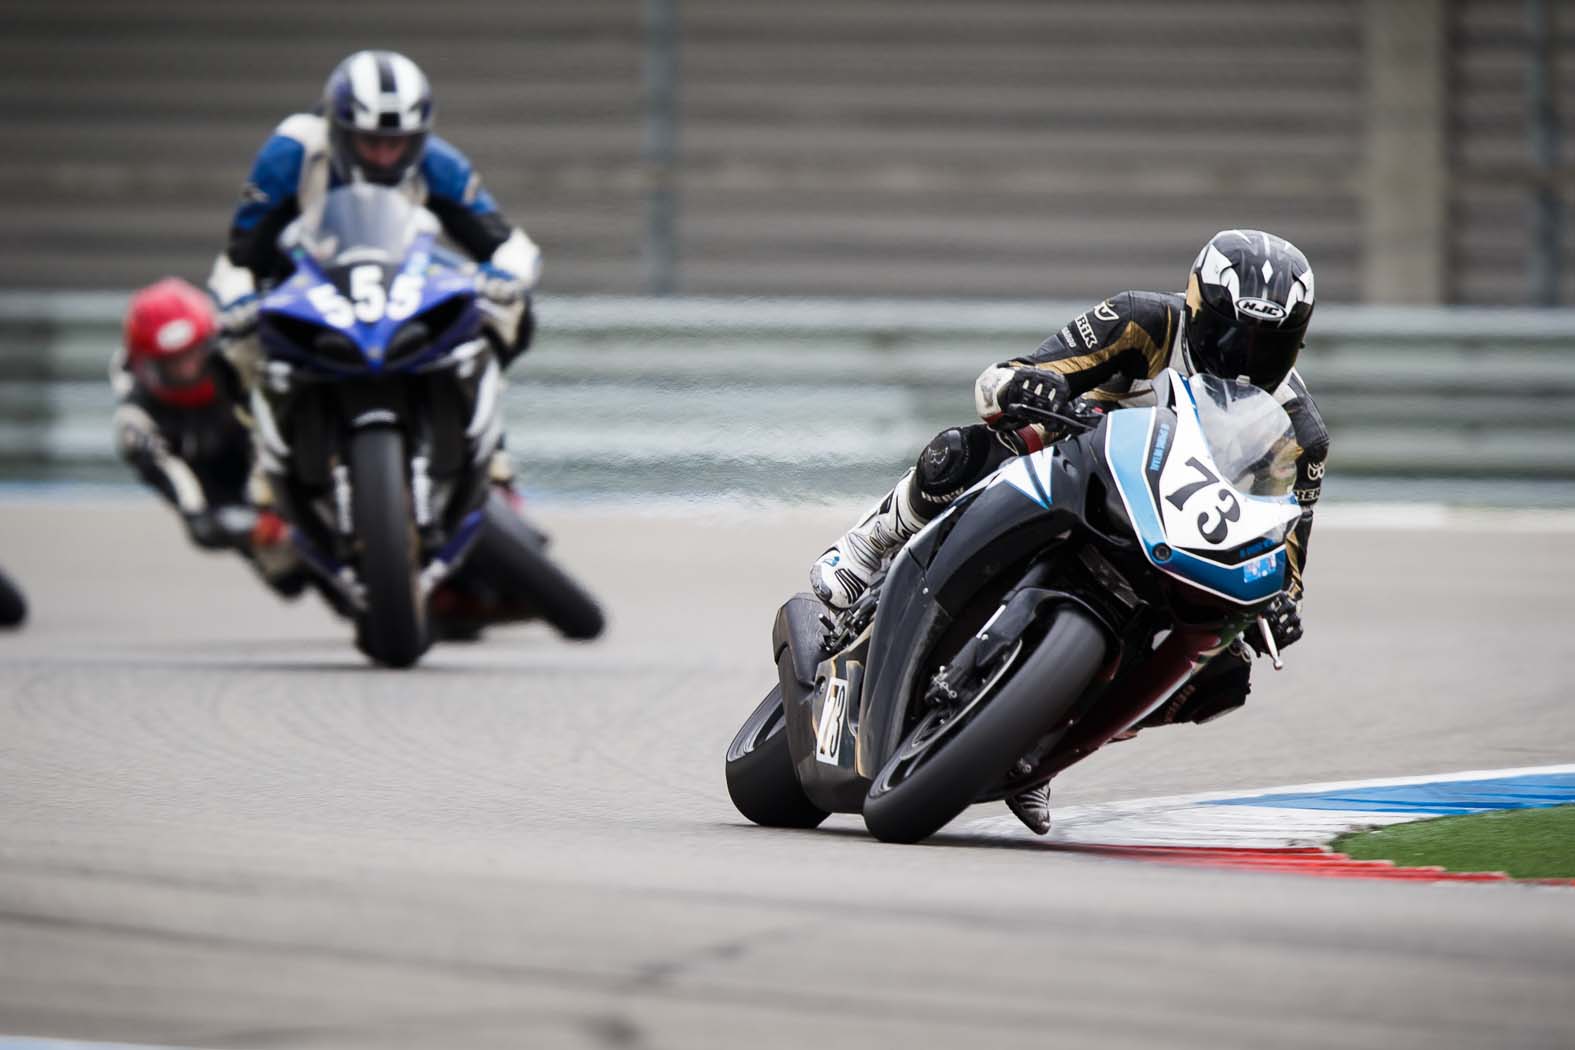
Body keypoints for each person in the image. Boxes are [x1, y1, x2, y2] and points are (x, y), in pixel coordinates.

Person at [809, 229, 1331, 835]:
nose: (1242, 358)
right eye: (1230, 335)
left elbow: (1288, 550)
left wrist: (1282, 604)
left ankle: (1047, 740)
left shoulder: (1300, 432)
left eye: (1266, 346)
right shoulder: (1142, 320)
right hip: (1083, 476)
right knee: (972, 448)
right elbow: (1004, 380)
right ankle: (872, 544)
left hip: (1176, 547)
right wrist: (1027, 386)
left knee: (1225, 672)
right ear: (1195, 311)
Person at [206, 49, 540, 490]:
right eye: (370, 142)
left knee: (511, 310)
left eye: (397, 142)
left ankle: (488, 441)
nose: (384, 156)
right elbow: (241, 255)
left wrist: (505, 279)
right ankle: (264, 461)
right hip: (306, 284)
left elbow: (508, 244)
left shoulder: (437, 161)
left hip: (402, 285)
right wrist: (241, 302)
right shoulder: (292, 153)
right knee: (233, 345)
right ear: (340, 130)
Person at [112, 278, 302, 593]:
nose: (188, 372)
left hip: (281, 463)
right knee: (286, 578)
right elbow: (193, 510)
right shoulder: (137, 420)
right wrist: (250, 524)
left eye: (194, 356)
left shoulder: (241, 359)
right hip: (225, 494)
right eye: (174, 364)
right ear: (148, 366)